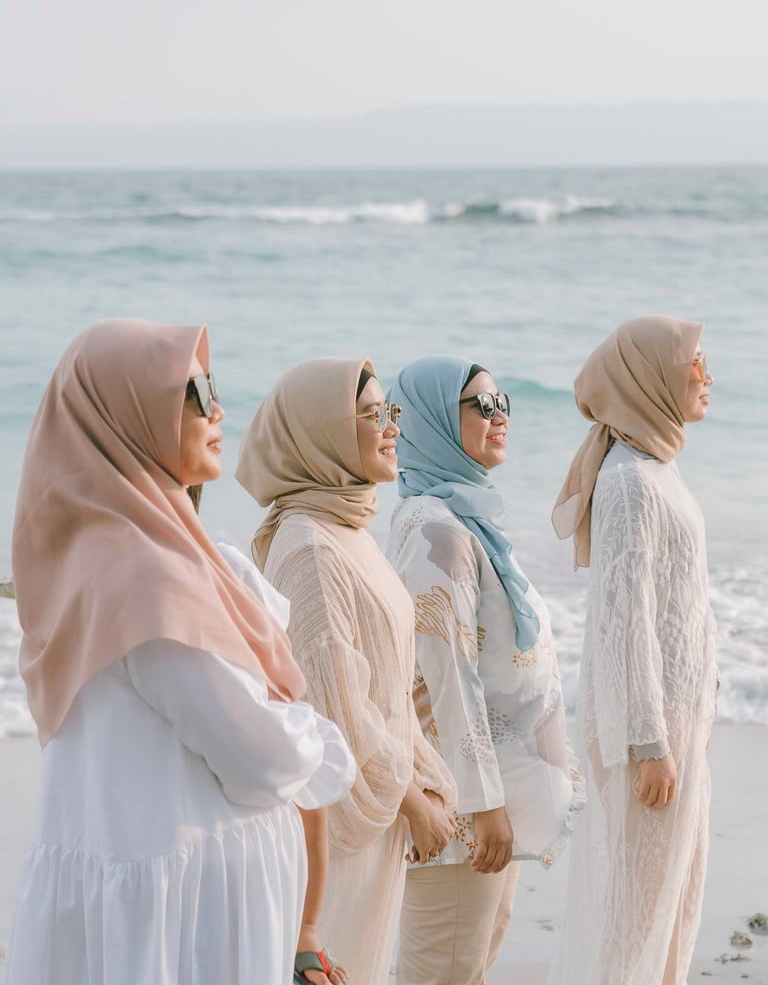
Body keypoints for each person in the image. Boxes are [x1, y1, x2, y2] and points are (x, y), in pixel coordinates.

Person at [6, 318, 355, 985]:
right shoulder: (148, 577)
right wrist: (316, 736)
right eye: (194, 391)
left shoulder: (99, 553)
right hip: (183, 924)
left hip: (155, 894)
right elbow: (261, 758)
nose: (218, 409)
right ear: (130, 412)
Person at [235, 358, 457, 985]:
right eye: (369, 416)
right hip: (335, 829)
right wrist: (413, 800)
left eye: (390, 412)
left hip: (373, 811)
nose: (390, 428)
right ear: (319, 435)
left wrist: (421, 779)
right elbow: (336, 711)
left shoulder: (347, 523)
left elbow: (388, 683)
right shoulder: (309, 546)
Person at [387, 356, 584, 985]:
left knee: (469, 965)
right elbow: (446, 675)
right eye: (480, 405)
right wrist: (483, 802)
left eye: (504, 404)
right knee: (441, 970)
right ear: (436, 422)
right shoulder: (435, 530)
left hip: (493, 792)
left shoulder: (465, 518)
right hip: (466, 807)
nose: (499, 418)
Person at [549, 315, 718, 985]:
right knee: (637, 916)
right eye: (693, 364)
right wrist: (649, 744)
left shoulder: (657, 468)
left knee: (675, 903)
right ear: (650, 378)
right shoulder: (629, 483)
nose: (706, 377)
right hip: (649, 724)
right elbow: (626, 622)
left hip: (677, 717)